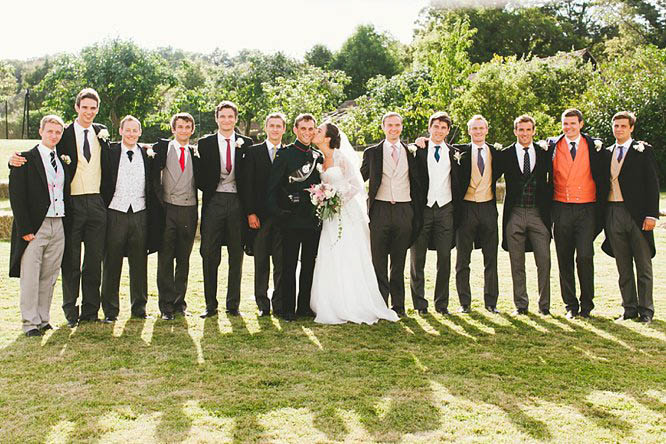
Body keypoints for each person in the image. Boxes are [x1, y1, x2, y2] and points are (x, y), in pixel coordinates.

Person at [9, 88, 110, 327]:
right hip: (71, 204)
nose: (88, 112)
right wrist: (12, 161)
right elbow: (36, 159)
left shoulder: (101, 133)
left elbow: (114, 156)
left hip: (95, 203)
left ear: (97, 110)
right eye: (84, 107)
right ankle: (69, 311)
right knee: (70, 262)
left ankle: (90, 311)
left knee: (94, 261)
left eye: (93, 108)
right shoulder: (63, 134)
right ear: (76, 108)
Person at [309, 123, 398, 324]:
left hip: (346, 213)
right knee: (329, 253)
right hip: (329, 216)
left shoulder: (340, 157)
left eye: (319, 131)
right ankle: (329, 300)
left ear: (329, 137)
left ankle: (352, 302)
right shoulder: (319, 158)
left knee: (348, 254)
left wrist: (335, 200)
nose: (315, 133)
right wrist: (323, 198)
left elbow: (357, 186)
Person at [9, 115, 70, 336]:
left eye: (58, 132)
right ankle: (29, 322)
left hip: (58, 223)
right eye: (50, 131)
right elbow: (17, 197)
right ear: (41, 131)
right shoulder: (24, 159)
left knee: (50, 275)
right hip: (36, 226)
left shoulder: (63, 161)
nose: (54, 136)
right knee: (31, 276)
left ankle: (44, 318)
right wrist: (25, 229)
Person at [360, 112, 422, 317]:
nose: (394, 129)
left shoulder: (411, 151)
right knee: (378, 261)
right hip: (380, 210)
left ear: (401, 127)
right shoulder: (372, 152)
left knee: (398, 261)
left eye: (397, 125)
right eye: (390, 125)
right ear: (383, 127)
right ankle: (379, 304)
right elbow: (359, 178)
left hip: (405, 210)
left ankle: (399, 306)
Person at [600, 111, 659, 323]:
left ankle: (646, 311)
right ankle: (629, 309)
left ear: (631, 128)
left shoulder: (643, 151)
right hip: (613, 212)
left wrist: (652, 214)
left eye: (623, 126)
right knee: (623, 266)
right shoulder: (606, 152)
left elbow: (653, 184)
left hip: (637, 214)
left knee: (643, 265)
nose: (619, 129)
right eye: (616, 126)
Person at [197, 101, 253, 318]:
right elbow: (200, 174)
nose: (227, 120)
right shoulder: (205, 143)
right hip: (213, 202)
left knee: (235, 254)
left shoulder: (246, 143)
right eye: (223, 116)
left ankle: (233, 305)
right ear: (216, 118)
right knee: (210, 254)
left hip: (237, 203)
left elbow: (249, 177)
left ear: (235, 119)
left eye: (231, 116)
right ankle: (210, 305)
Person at [548, 109, 605, 319]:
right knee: (564, 258)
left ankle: (587, 305)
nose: (569, 127)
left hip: (587, 208)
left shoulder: (594, 146)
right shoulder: (552, 145)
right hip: (560, 207)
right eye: (565, 123)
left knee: (585, 256)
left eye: (573, 123)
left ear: (581, 124)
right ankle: (570, 305)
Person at [266, 114, 322, 321]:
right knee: (289, 266)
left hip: (313, 220)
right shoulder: (285, 155)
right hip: (290, 220)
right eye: (303, 129)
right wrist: (280, 212)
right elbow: (273, 188)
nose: (307, 133)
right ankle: (288, 308)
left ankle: (304, 307)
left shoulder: (318, 156)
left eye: (311, 129)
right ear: (295, 130)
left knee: (309, 265)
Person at [100, 115, 156, 321]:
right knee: (112, 262)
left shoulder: (147, 153)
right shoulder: (110, 151)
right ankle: (110, 311)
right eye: (128, 130)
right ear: (121, 131)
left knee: (139, 263)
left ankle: (139, 308)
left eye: (135, 130)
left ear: (140, 133)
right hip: (115, 211)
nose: (131, 133)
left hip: (140, 213)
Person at [498, 115, 552, 316]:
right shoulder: (506, 154)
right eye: (521, 130)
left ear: (534, 131)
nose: (525, 133)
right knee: (517, 263)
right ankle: (521, 305)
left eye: (528, 130)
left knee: (544, 261)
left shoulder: (544, 152)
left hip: (539, 214)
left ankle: (544, 306)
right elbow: (474, 150)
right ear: (515, 131)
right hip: (515, 214)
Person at [150, 113, 200, 320]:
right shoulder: (163, 150)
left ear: (192, 130)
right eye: (180, 127)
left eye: (188, 127)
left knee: (183, 259)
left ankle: (180, 303)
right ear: (173, 129)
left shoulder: (196, 153)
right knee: (165, 258)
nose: (184, 131)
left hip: (188, 209)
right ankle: (166, 306)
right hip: (167, 209)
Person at [410, 112, 460, 315]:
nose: (439, 131)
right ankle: (420, 305)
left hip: (446, 209)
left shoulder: (456, 153)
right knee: (417, 259)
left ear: (448, 131)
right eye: (436, 126)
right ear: (429, 128)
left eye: (443, 128)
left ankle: (442, 304)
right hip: (422, 210)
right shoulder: (417, 150)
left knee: (444, 259)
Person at [454, 115, 502, 314]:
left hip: (488, 209)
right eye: (474, 128)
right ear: (469, 131)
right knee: (462, 259)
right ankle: (464, 303)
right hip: (465, 209)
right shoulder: (458, 151)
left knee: (491, 258)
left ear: (487, 130)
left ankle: (491, 302)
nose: (478, 131)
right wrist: (421, 142)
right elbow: (434, 145)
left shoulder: (497, 152)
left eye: (481, 128)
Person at [242, 112, 286, 317]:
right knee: (261, 262)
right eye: (272, 126)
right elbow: (247, 186)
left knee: (281, 262)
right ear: (266, 128)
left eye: (279, 126)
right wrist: (250, 212)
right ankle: (262, 303)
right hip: (259, 216)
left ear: (284, 129)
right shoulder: (253, 153)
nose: (275, 129)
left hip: (283, 218)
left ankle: (279, 303)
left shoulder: (289, 153)